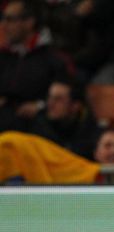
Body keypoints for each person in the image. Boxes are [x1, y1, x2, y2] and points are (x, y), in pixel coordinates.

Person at [0, 0, 73, 131]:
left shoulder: (54, 58)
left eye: (9, 19)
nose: (4, 25)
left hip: (37, 126)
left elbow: (69, 97)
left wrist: (41, 106)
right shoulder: (4, 56)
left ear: (29, 22)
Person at [27, 78, 100, 159]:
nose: (50, 104)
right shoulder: (39, 127)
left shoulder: (90, 133)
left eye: (58, 99)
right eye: (50, 97)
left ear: (75, 106)